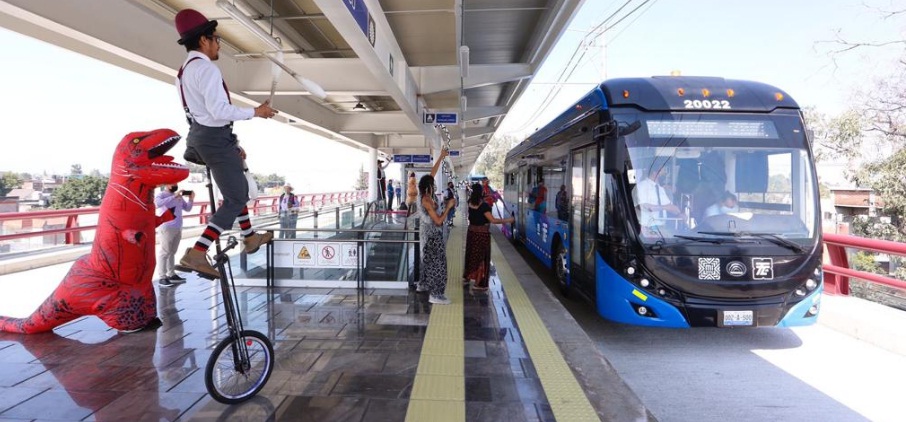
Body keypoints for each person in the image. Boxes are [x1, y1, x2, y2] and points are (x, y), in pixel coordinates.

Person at [173, 9, 277, 279]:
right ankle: (197, 253)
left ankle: (249, 236)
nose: (219, 44)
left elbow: (204, 112)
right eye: (216, 38)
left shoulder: (184, 71)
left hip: (203, 136)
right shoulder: (206, 68)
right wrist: (256, 112)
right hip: (214, 137)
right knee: (236, 198)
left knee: (236, 189)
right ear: (204, 40)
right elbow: (219, 110)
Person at [418, 149, 455, 304]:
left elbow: (432, 173)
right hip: (431, 237)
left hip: (434, 236)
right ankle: (436, 295)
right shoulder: (426, 200)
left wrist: (440, 156)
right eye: (432, 184)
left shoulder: (428, 195)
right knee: (438, 265)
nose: (434, 184)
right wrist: (448, 207)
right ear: (429, 187)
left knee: (431, 263)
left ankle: (424, 285)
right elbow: (438, 221)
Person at [463, 183, 515, 292]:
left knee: (471, 255)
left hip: (471, 233)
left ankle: (467, 277)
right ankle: (480, 283)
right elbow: (493, 220)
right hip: (482, 235)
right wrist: (508, 220)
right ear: (482, 192)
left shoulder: (470, 203)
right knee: (482, 258)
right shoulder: (484, 206)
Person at [155, 184, 194, 287]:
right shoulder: (161, 195)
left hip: (178, 227)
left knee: (172, 252)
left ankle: (171, 274)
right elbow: (157, 204)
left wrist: (191, 199)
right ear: (167, 185)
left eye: (176, 183)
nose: (175, 185)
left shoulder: (179, 196)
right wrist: (174, 196)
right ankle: (162, 277)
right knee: (165, 252)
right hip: (166, 227)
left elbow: (187, 208)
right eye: (173, 183)